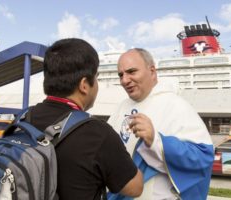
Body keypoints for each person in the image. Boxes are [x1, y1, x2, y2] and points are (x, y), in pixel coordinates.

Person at [27, 39, 143, 200]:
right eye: (96, 77)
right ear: (84, 85)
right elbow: (135, 188)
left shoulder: (22, 120)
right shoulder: (98, 134)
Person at [107, 48, 214, 200]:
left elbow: (203, 157)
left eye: (132, 72)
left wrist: (156, 140)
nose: (124, 80)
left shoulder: (175, 105)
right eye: (121, 75)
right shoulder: (121, 107)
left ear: (152, 71)